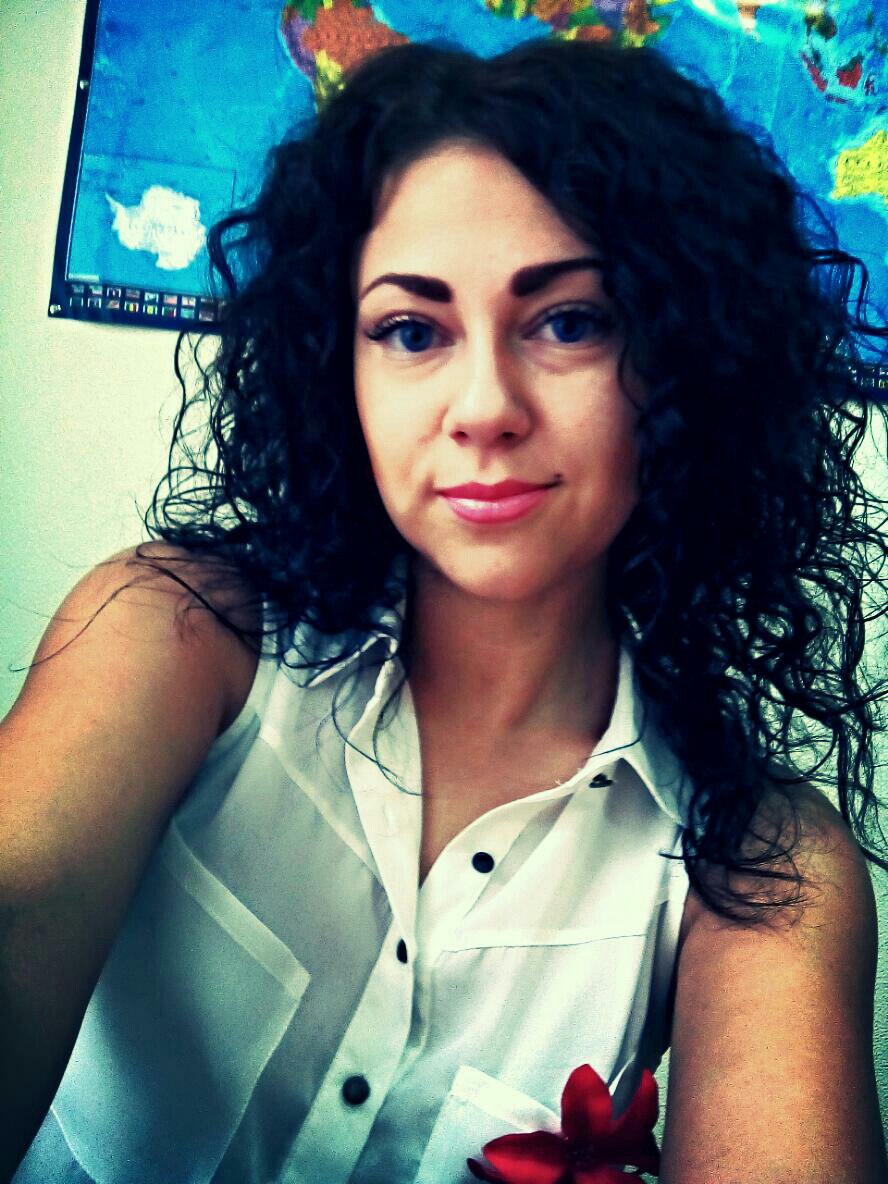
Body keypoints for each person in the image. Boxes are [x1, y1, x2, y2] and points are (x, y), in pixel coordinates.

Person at [2, 35, 887, 1184]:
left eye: (569, 320)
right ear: (342, 367)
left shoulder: (764, 862)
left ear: (686, 364)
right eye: (412, 330)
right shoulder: (169, 632)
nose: (484, 407)